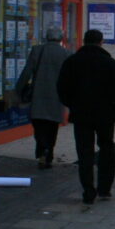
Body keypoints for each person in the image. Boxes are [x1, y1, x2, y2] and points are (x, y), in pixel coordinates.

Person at [57, 29, 115, 205]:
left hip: (81, 114)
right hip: (105, 115)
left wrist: (72, 104)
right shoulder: (110, 64)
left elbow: (62, 88)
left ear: (84, 41)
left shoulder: (72, 62)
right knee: (106, 149)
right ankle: (105, 188)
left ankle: (88, 190)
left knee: (85, 152)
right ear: (101, 42)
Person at [15, 27, 70, 169]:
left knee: (38, 125)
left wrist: (18, 89)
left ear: (47, 37)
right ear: (61, 38)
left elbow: (27, 72)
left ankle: (42, 150)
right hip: (56, 96)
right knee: (52, 127)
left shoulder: (37, 50)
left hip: (38, 94)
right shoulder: (66, 54)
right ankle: (48, 152)